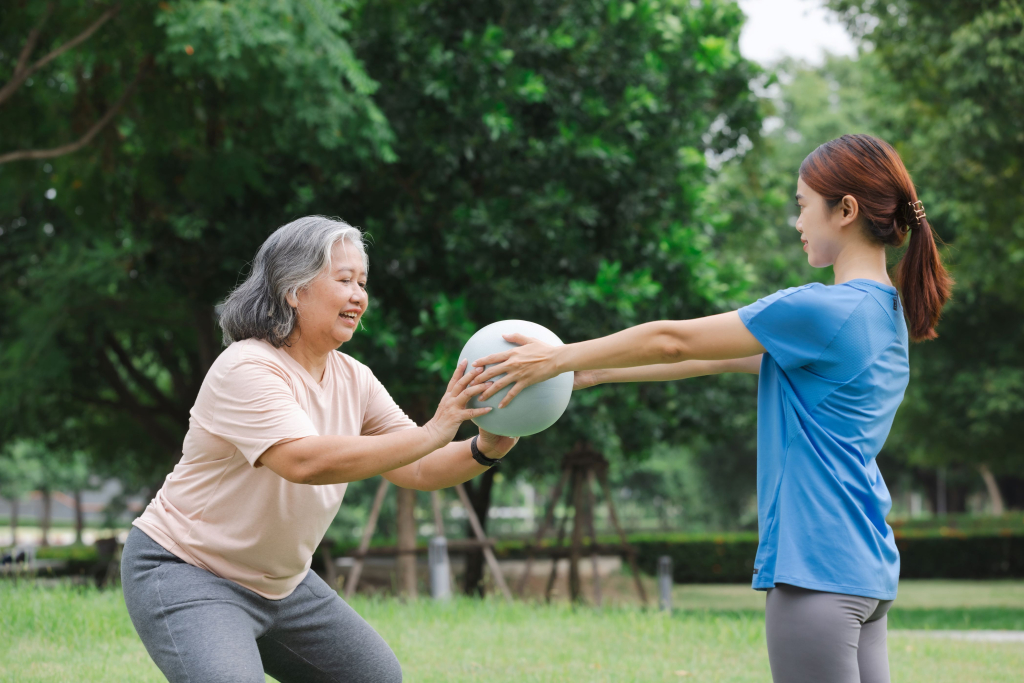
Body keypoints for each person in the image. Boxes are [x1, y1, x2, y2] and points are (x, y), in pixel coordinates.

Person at [470, 134, 952, 683]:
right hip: (865, 569)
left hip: (816, 569)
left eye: (802, 206)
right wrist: (595, 373)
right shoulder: (887, 316)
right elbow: (715, 360)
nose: (797, 224)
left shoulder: (822, 310)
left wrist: (556, 359)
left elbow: (675, 340)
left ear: (845, 210)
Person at [121, 216, 517, 683]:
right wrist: (434, 429)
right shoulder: (247, 366)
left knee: (376, 677)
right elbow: (302, 460)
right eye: (344, 279)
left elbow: (418, 468)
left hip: (283, 585)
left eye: (363, 282)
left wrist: (486, 446)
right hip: (189, 570)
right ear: (294, 290)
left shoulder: (355, 378)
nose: (358, 295)